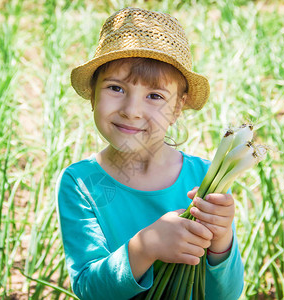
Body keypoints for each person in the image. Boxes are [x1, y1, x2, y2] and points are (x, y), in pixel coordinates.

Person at [56, 7, 244, 300]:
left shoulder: (205, 179)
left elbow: (225, 296)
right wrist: (145, 247)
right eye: (116, 88)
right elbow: (90, 290)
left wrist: (221, 241)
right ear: (92, 94)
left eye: (154, 96)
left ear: (178, 108)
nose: (132, 111)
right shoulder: (81, 183)